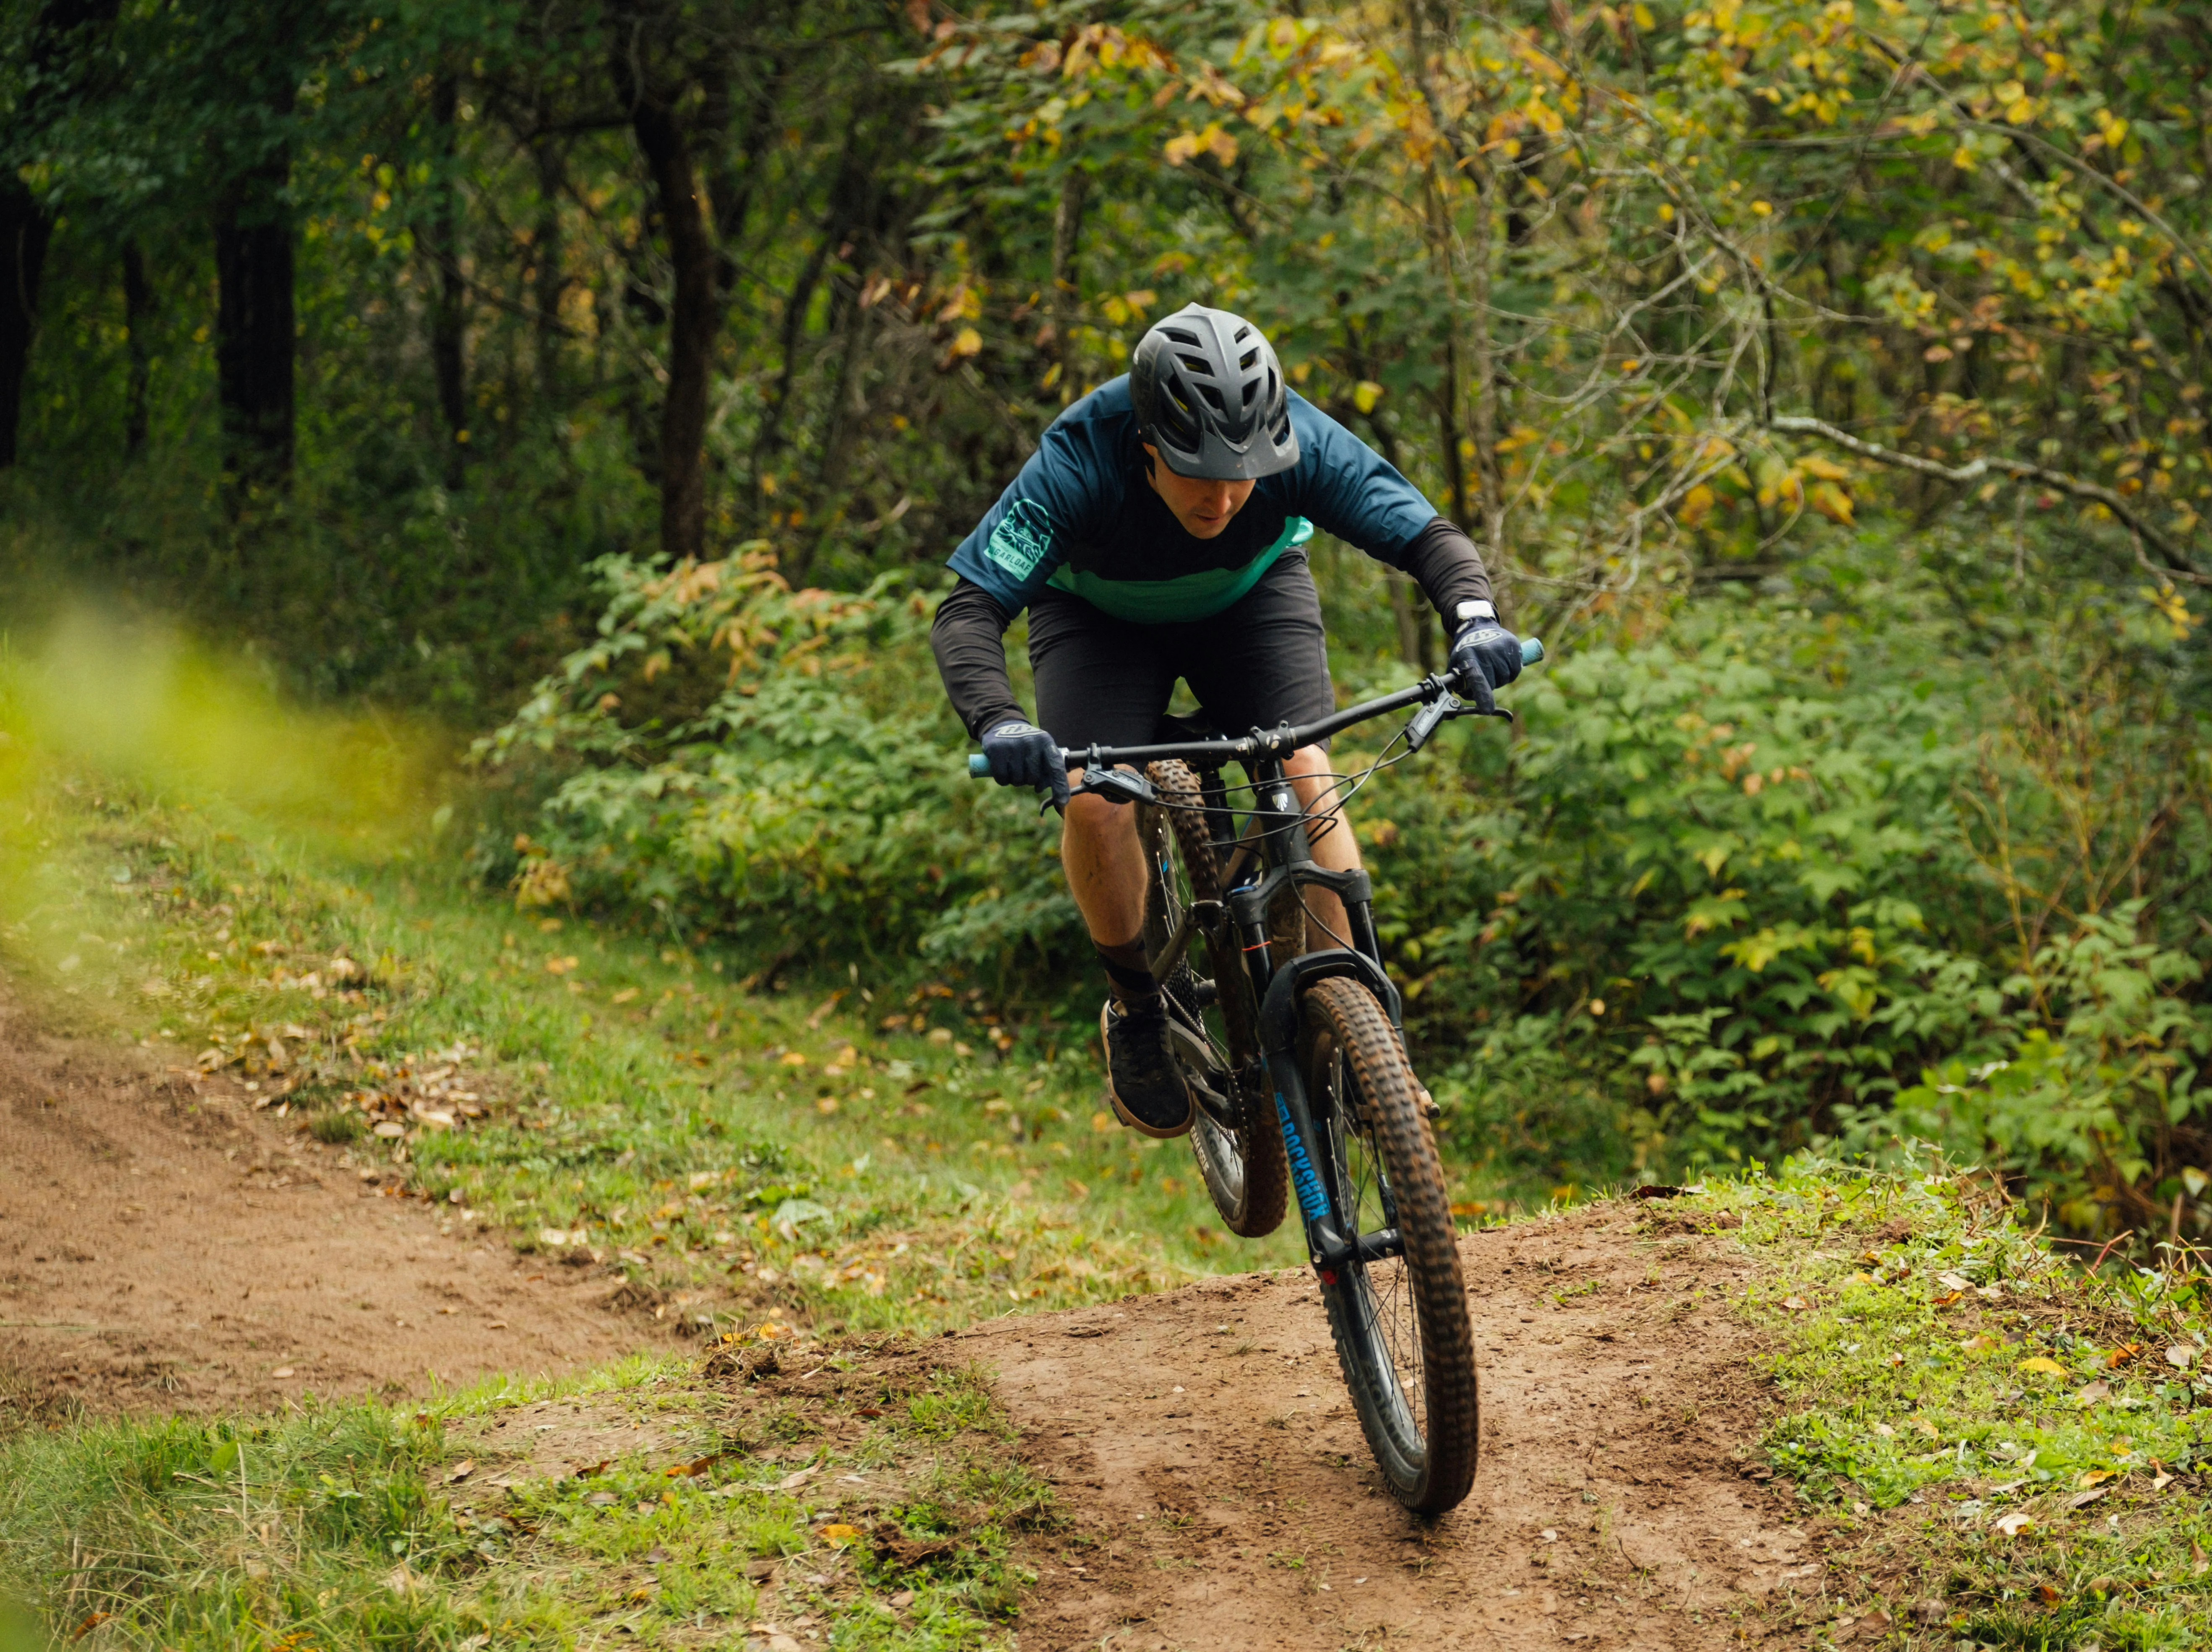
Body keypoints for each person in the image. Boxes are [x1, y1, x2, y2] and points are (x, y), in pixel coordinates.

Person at [930, 302, 1522, 1138]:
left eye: (1245, 470)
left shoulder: (1300, 442)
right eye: (1199, 470)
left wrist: (1475, 618)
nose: (1226, 493)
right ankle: (1138, 1009)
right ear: (1146, 446)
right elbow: (968, 610)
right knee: (1095, 800)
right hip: (1098, 620)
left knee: (1306, 772)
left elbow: (1426, 535)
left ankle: (1356, 1025)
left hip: (1252, 597)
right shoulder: (1077, 461)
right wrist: (998, 722)